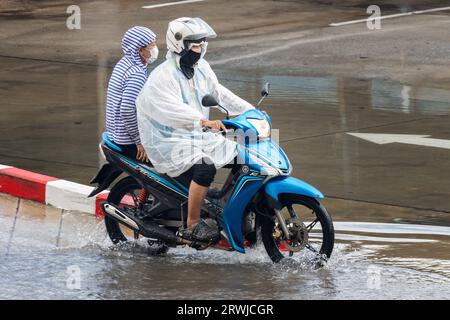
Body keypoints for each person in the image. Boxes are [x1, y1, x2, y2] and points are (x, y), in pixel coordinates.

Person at [136, 17, 254, 242]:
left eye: (202, 44)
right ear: (180, 44)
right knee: (205, 169)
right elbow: (171, 110)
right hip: (166, 139)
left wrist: (249, 111)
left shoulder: (201, 68)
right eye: (195, 44)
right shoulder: (163, 76)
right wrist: (202, 122)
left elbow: (218, 93)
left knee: (242, 156)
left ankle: (222, 202)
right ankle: (192, 224)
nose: (200, 49)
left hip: (193, 134)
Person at [106, 26, 158, 162]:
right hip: (127, 139)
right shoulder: (136, 74)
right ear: (140, 49)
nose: (155, 48)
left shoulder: (124, 63)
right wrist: (140, 142)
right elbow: (127, 109)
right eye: (152, 45)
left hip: (114, 133)